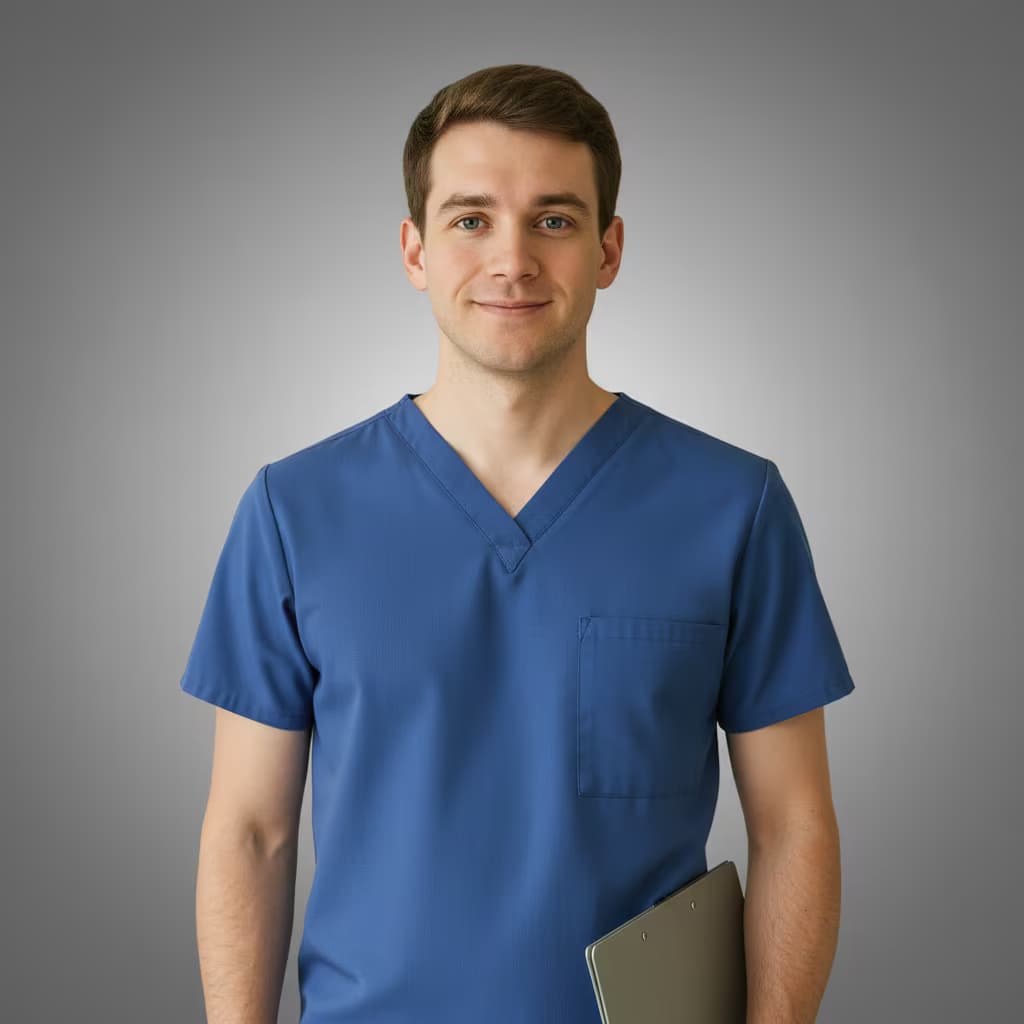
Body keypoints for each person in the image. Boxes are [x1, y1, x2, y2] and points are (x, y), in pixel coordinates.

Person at [180, 63, 856, 1024]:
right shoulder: (295, 511)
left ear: (609, 249)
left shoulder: (732, 506)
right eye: (469, 220)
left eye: (554, 219)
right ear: (414, 249)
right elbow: (250, 833)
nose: (512, 260)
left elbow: (795, 825)